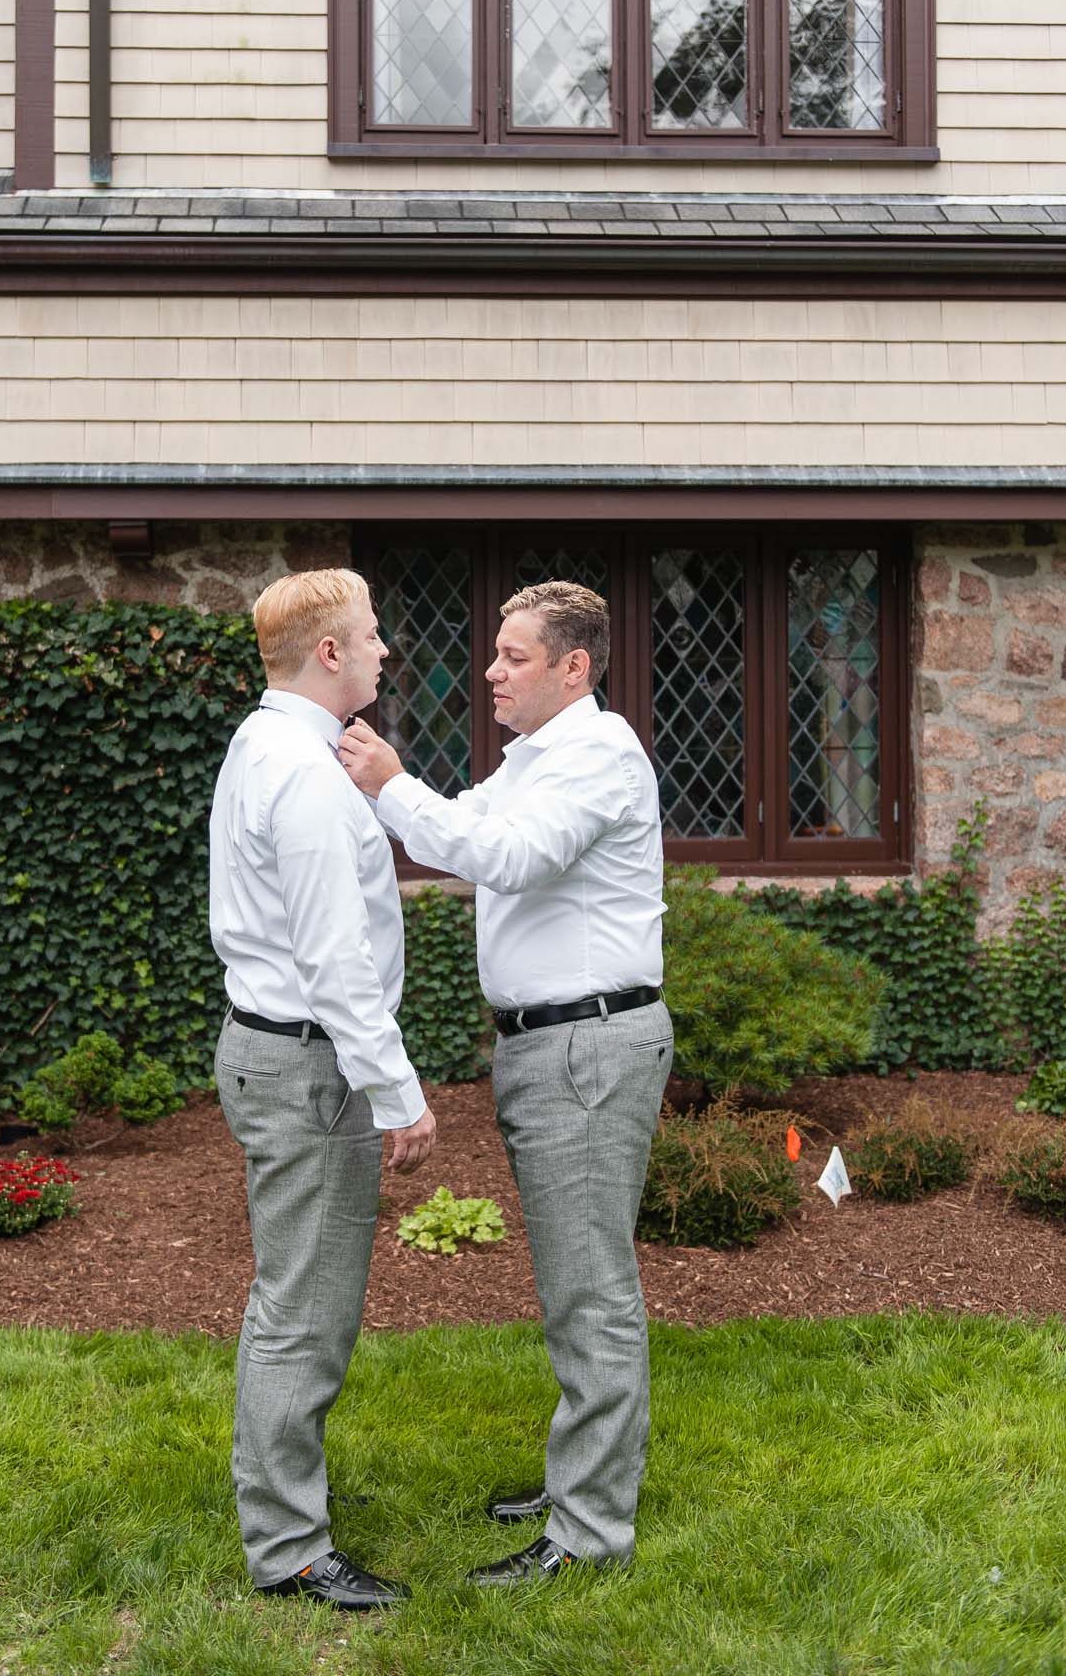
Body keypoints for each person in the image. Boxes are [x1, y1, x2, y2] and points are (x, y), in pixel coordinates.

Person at [340, 580, 671, 1587]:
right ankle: (585, 1478)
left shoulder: (599, 755)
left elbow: (507, 857)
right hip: (550, 1047)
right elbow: (456, 826)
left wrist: (390, 780)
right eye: (494, 652)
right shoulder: (533, 758)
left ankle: (589, 1529)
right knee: (574, 1283)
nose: (489, 670)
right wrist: (379, 789)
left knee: (591, 1291)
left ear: (573, 667)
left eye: (513, 655)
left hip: (587, 1046)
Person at [209, 566, 436, 1612]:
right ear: (330, 651)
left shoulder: (273, 745)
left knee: (298, 1299)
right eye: (372, 633)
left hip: (289, 1054)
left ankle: (285, 1492)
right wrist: (398, 1091)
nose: (386, 648)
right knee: (302, 1310)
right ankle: (290, 1545)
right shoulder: (298, 770)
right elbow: (334, 957)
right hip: (308, 1064)